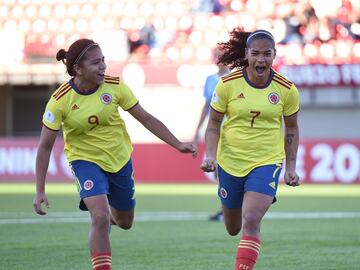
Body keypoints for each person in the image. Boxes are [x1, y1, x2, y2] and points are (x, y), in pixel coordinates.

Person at [32, 39, 197, 270]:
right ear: (78, 68)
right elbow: (45, 147)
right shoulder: (59, 101)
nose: (103, 67)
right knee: (98, 217)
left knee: (125, 222)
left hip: (119, 159)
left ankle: (111, 218)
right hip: (84, 161)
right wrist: (40, 189)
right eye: (96, 63)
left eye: (103, 61)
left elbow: (146, 118)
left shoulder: (115, 86)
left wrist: (177, 144)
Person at [200, 28, 300, 270]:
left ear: (275, 55)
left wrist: (291, 168)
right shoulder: (226, 85)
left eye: (267, 54)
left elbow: (292, 130)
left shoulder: (286, 89)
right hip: (230, 161)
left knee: (252, 219)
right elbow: (214, 124)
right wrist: (210, 155)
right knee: (233, 228)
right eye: (255, 53)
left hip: (266, 162)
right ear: (246, 54)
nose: (261, 59)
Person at [193, 48, 229, 221]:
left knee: (229, 170)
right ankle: (226, 208)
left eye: (221, 56)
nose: (219, 59)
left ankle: (232, 208)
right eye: (216, 56)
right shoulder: (210, 80)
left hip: (231, 131)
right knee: (216, 170)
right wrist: (197, 130)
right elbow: (205, 106)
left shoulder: (235, 79)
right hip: (214, 131)